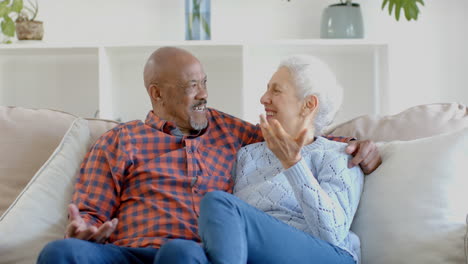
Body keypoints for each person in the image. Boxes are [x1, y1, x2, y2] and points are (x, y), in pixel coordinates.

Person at [37, 47, 380, 264]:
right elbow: (89, 214)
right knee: (58, 253)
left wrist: (358, 145)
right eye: (191, 86)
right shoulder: (120, 141)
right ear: (157, 94)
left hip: (193, 253)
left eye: (204, 82)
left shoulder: (231, 132)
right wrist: (84, 229)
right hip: (131, 252)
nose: (203, 94)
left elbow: (295, 138)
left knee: (181, 251)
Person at [195, 55, 363, 264]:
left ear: (308, 104)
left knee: (217, 202)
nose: (264, 98)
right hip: (258, 255)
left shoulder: (339, 155)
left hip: (327, 255)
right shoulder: (248, 155)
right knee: (179, 252)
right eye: (267, 89)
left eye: (276, 90)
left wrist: (293, 164)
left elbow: (332, 234)